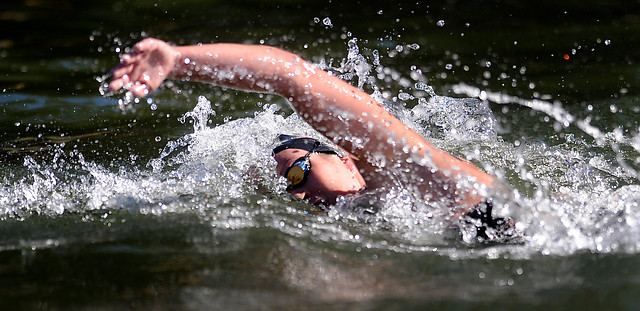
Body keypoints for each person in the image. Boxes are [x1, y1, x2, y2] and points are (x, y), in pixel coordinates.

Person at [107, 37, 498, 223]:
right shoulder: (373, 221)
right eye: (287, 189)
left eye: (296, 173)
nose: (296, 193)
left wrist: (178, 62)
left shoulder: (407, 167)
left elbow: (289, 75)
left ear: (345, 159)